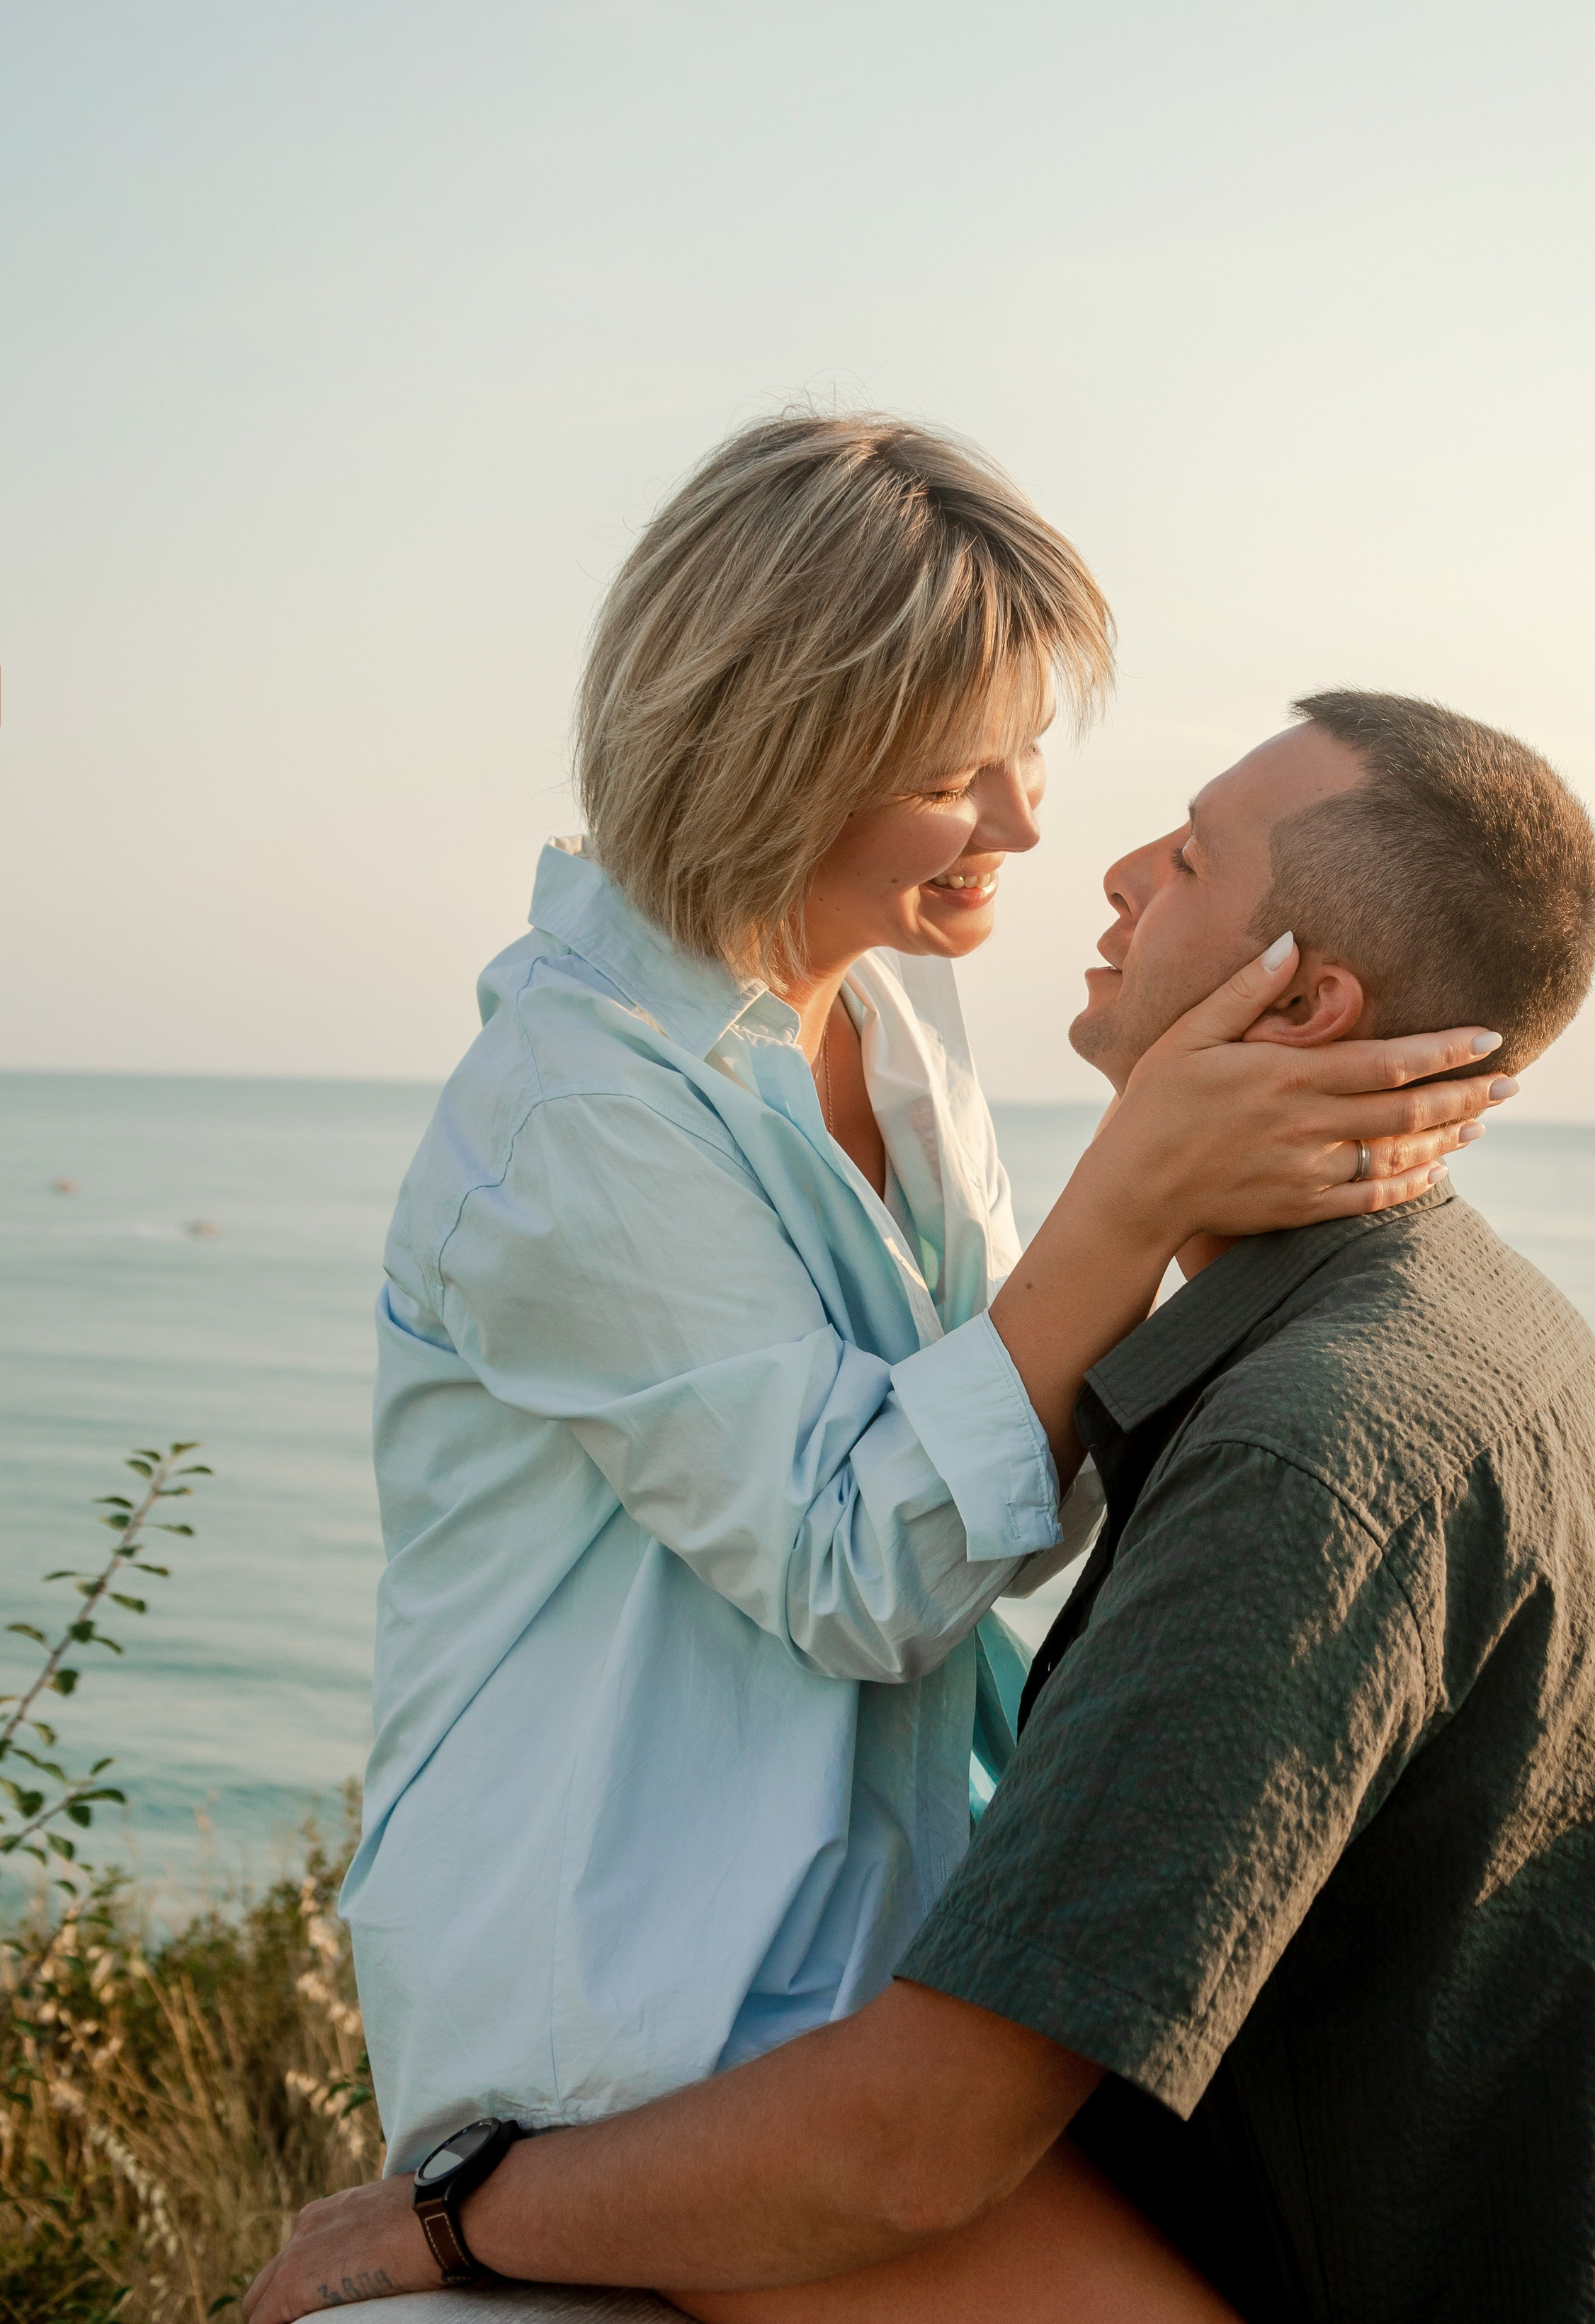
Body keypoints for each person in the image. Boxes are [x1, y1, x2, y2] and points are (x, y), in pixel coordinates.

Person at [248, 690, 1595, 2324]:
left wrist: (450, 2224)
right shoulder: (1479, 1318)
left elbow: (913, 2145)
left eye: (1185, 858)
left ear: (1304, 1002)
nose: (1094, 863)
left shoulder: (1309, 1446)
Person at [331, 416, 1498, 2313]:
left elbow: (992, 1498)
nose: (1032, 824)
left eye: (1032, 748)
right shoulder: (569, 1119)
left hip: (883, 1971)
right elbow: (862, 1569)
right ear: (781, 753)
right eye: (968, 773)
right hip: (644, 2019)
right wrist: (1132, 1205)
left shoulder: (895, 1003)